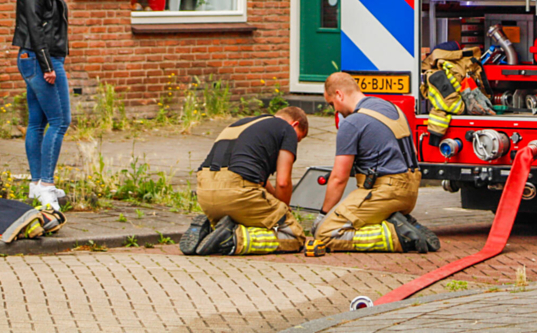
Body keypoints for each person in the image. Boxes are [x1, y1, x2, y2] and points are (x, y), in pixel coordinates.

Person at [313, 72, 440, 254]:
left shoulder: (352, 123)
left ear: (339, 94)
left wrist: (323, 215)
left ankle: (399, 236)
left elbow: (338, 178)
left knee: (325, 233)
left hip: (384, 191)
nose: (335, 110)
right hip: (410, 191)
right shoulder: (391, 107)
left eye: (332, 103)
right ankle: (397, 221)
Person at [185, 106, 310, 256]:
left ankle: (210, 231)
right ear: (295, 125)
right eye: (298, 139)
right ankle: (233, 238)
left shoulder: (243, 124)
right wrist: (283, 211)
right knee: (294, 235)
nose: (295, 143)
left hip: (205, 192)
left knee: (251, 215)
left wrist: (274, 203)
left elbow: (260, 181)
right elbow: (283, 182)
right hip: (238, 193)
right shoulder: (287, 129)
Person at [12, 0, 72, 212]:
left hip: (33, 58)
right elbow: (35, 27)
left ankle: (37, 184)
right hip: (39, 59)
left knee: (37, 122)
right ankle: (46, 184)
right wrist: (48, 65)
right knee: (60, 121)